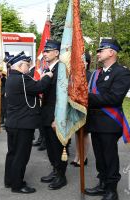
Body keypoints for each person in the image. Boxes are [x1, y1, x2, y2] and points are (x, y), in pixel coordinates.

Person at [85, 38, 130, 200]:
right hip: (95, 122)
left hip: (109, 122)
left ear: (111, 52)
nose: (98, 53)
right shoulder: (97, 73)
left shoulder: (122, 72)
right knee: (99, 156)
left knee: (109, 157)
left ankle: (112, 190)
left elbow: (114, 98)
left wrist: (86, 97)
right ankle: (102, 184)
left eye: (101, 50)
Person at [4, 52, 53, 194]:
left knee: (12, 154)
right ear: (20, 66)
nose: (29, 67)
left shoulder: (11, 78)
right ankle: (17, 185)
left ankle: (10, 180)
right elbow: (40, 87)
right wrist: (47, 77)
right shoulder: (22, 79)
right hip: (23, 124)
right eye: (26, 64)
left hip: (13, 123)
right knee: (21, 155)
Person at [40, 39, 70, 190]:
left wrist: (58, 118)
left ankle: (61, 176)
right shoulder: (48, 69)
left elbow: (63, 96)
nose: (44, 53)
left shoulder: (62, 69)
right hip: (46, 114)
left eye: (47, 51)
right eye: (44, 51)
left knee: (58, 147)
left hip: (56, 116)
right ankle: (55, 170)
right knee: (50, 147)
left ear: (57, 53)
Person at [70, 51, 92, 167]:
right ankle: (77, 156)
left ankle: (84, 157)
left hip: (85, 108)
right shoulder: (77, 75)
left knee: (84, 134)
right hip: (76, 108)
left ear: (86, 62)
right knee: (77, 133)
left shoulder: (89, 75)